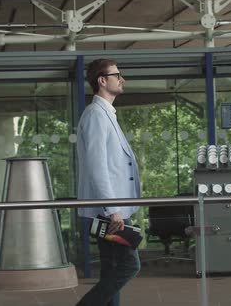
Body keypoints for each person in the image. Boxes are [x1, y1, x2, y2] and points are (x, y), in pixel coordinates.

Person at [76, 58, 141, 306]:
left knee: (112, 267)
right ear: (102, 81)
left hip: (113, 208)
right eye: (117, 75)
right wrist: (113, 209)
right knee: (129, 265)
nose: (121, 79)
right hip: (110, 210)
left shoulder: (106, 114)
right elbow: (97, 165)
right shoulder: (96, 115)